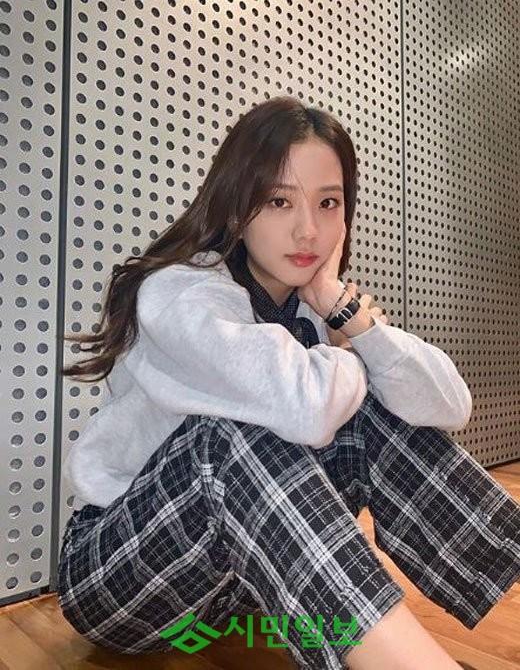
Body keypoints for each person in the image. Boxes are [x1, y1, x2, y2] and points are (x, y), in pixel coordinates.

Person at [56, 96, 519, 670]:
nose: (308, 229)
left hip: (234, 595)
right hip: (120, 577)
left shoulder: (313, 313)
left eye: (328, 203)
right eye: (279, 201)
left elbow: (450, 404)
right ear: (237, 207)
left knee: (372, 410)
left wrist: (348, 317)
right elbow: (305, 405)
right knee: (235, 434)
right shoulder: (180, 295)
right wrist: (354, 353)